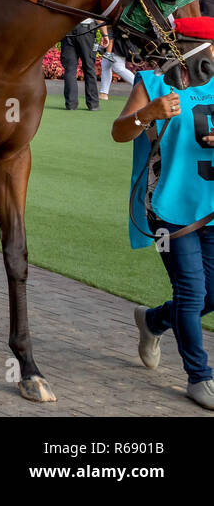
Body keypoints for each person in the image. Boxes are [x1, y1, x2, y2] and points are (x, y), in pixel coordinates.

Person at [113, 36, 214, 411]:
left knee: (210, 295)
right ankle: (199, 376)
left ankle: (153, 321)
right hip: (166, 207)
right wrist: (148, 114)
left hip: (211, 205)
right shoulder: (152, 82)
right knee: (190, 292)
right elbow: (119, 132)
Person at [60, 18, 99, 111]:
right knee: (89, 68)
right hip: (86, 30)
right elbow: (99, 16)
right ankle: (93, 104)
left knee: (70, 70)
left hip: (68, 28)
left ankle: (71, 104)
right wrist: (105, 34)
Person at [98, 24, 135, 102]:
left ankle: (141, 85)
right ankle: (103, 93)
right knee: (106, 66)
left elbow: (110, 31)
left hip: (118, 45)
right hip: (111, 45)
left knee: (119, 68)